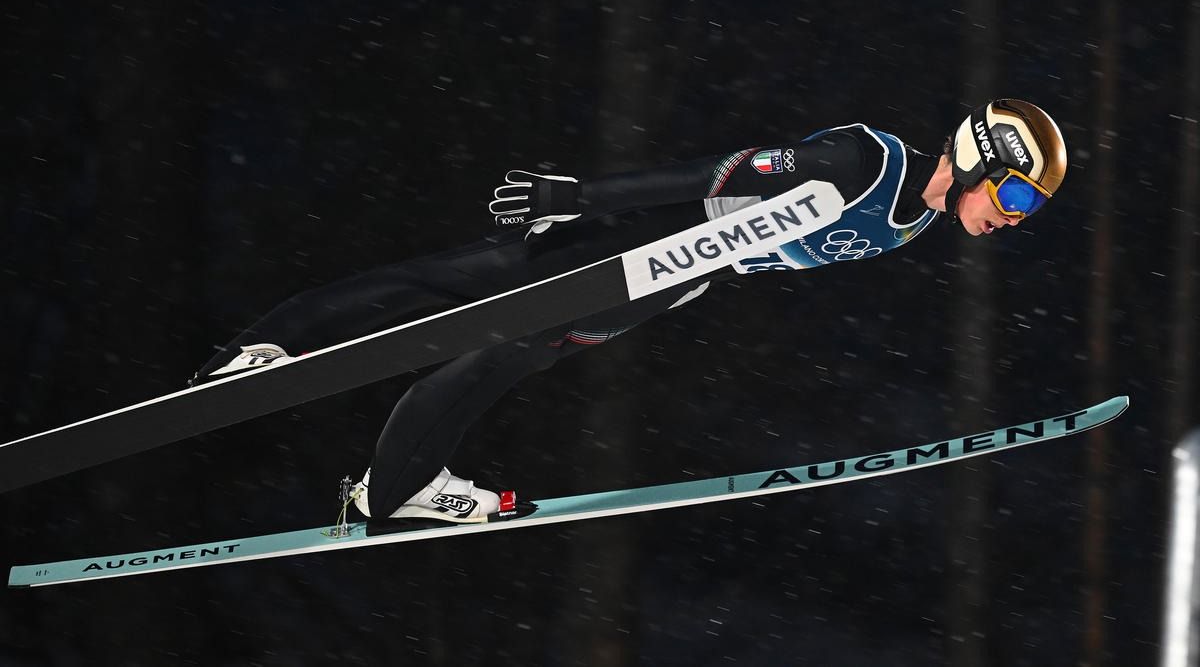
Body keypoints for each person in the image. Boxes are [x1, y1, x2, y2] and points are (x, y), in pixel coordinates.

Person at [192, 99, 1067, 524]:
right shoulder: (867, 164)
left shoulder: (912, 222)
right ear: (979, 156)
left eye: (1028, 210)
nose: (1014, 219)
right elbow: (718, 175)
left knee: (511, 354)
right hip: (645, 237)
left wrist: (685, 276)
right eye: (1018, 195)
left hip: (675, 277)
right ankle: (264, 348)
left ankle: (394, 486)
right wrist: (581, 196)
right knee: (447, 287)